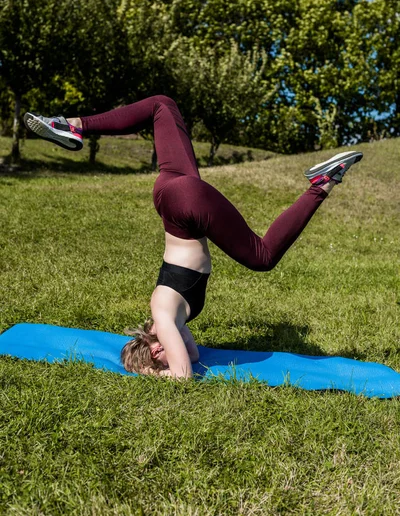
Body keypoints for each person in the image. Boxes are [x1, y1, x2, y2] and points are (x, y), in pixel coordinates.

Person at [24, 96, 363, 379]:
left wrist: (159, 375)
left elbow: (184, 374)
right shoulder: (170, 318)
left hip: (187, 204)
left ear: (156, 350)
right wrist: (162, 360)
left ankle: (322, 184)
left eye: (159, 359)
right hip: (172, 197)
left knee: (262, 257)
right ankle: (72, 125)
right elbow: (195, 355)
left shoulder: (164, 314)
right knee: (161, 105)